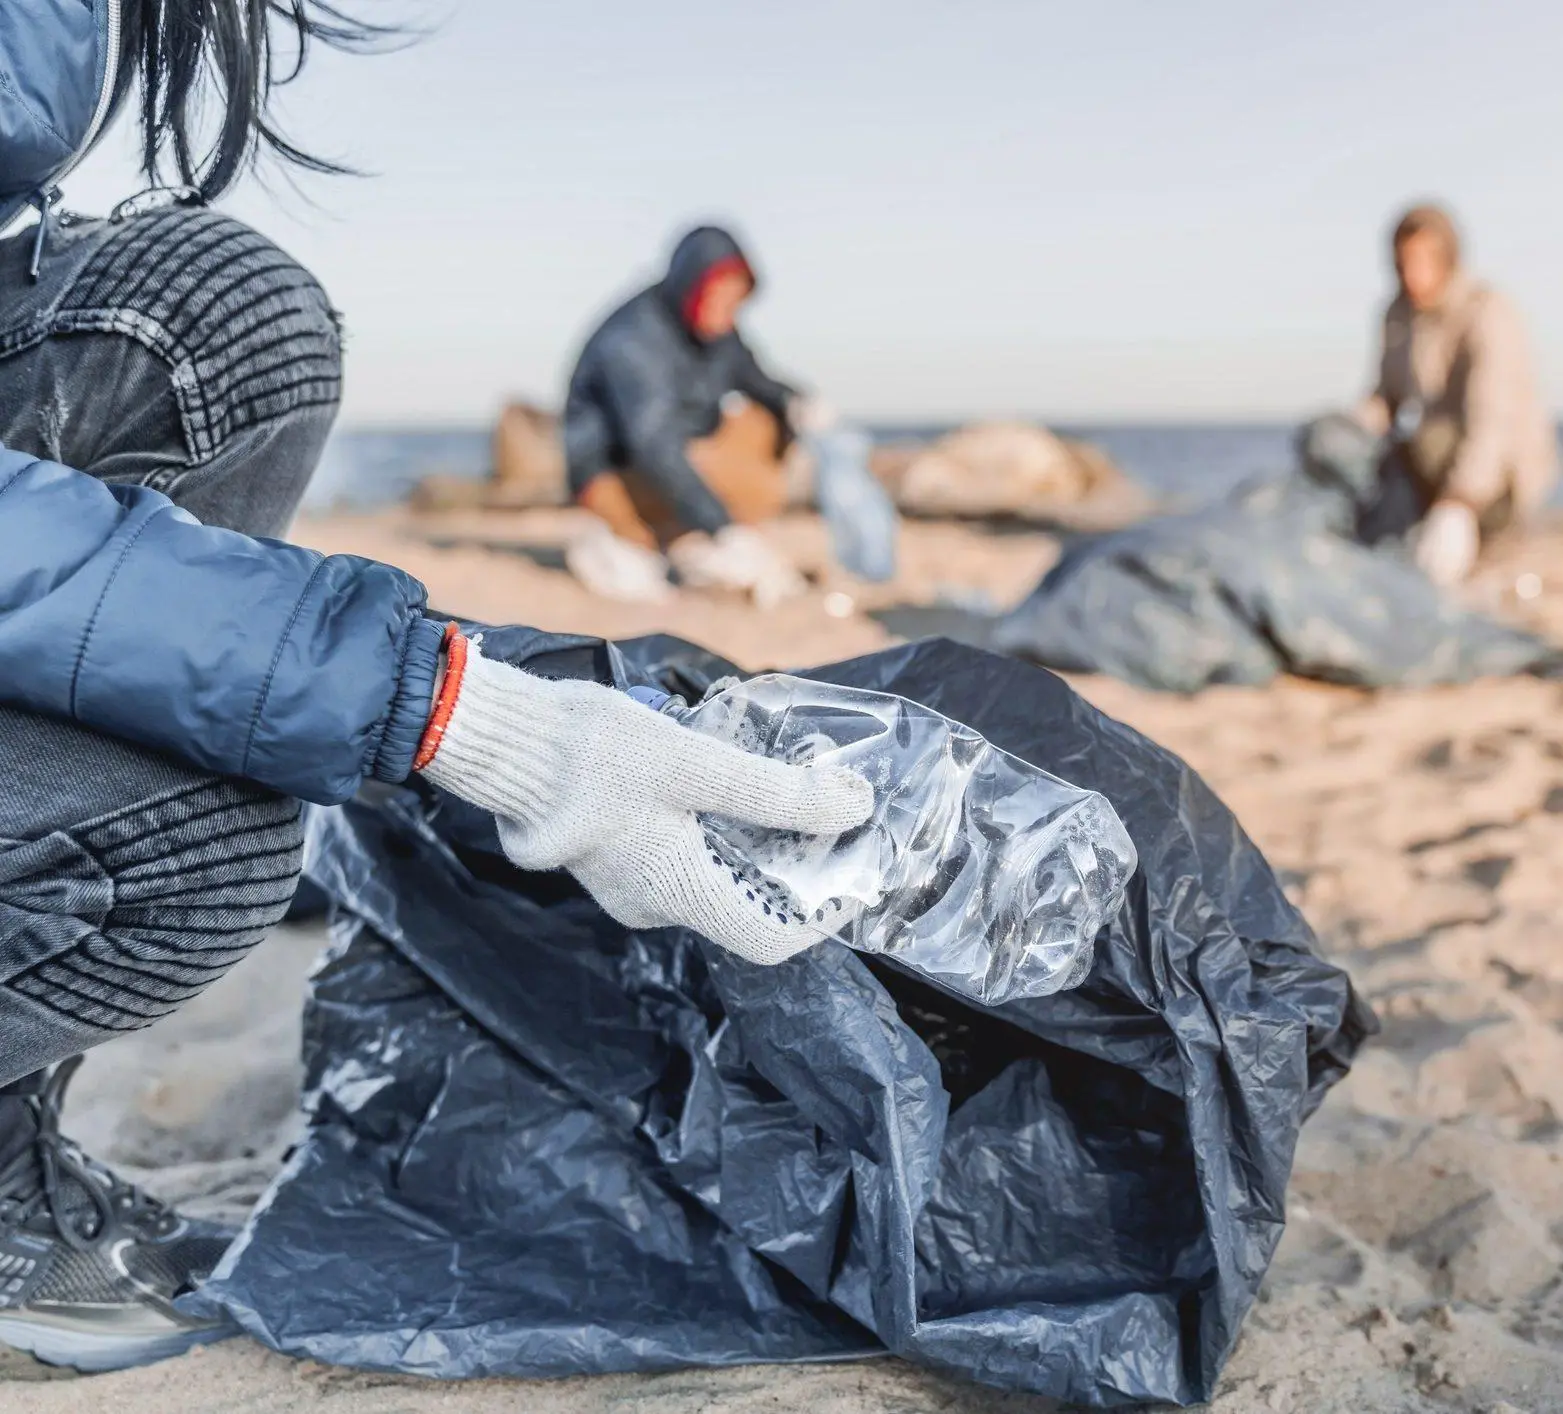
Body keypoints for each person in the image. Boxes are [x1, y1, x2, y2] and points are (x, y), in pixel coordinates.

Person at [0, 2, 870, 1372]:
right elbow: (651, 432)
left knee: (226, 316)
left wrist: (471, 686)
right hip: (606, 489)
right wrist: (458, 709)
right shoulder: (640, 343)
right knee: (189, 840)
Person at [562, 226, 817, 606]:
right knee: (688, 503)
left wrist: (795, 403)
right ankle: (623, 536)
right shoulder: (633, 340)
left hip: (685, 450)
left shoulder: (718, 330)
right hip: (615, 468)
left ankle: (685, 539)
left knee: (761, 423)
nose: (727, 310)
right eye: (719, 295)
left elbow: (754, 377)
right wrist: (721, 527)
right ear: (693, 285)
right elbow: (653, 443)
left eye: (736, 299)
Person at [1355, 203, 1557, 586]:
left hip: (1500, 471)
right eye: (1404, 262)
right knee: (1386, 476)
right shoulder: (1397, 315)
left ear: (1449, 257)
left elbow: (1494, 422)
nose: (1413, 274)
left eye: (1424, 260)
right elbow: (1385, 397)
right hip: (1436, 456)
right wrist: (1349, 429)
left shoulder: (1487, 312)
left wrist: (1460, 502)